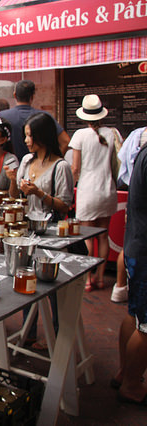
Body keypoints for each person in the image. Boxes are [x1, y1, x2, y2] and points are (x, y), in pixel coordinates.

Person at [7, 112, 73, 348]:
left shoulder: (61, 166)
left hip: (51, 235)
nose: (25, 141)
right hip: (27, 232)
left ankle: (55, 335)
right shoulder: (25, 161)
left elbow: (65, 204)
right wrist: (14, 181)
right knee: (25, 279)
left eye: (29, 136)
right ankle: (29, 329)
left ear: (42, 137)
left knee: (51, 288)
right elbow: (15, 197)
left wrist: (40, 193)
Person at [70, 94, 121, 292]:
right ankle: (100, 278)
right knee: (102, 236)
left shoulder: (80, 135)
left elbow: (75, 168)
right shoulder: (112, 133)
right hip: (107, 189)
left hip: (88, 190)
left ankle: (88, 280)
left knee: (87, 237)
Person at [114, 138, 147, 407]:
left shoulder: (143, 151)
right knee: (146, 326)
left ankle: (126, 372)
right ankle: (132, 384)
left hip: (137, 244)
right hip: (144, 248)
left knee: (134, 314)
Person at [0, 80, 70, 161]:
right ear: (32, 96)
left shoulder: (2, 117)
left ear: (14, 95)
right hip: (39, 169)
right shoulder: (43, 117)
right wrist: (51, 162)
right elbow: (65, 141)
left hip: (10, 167)